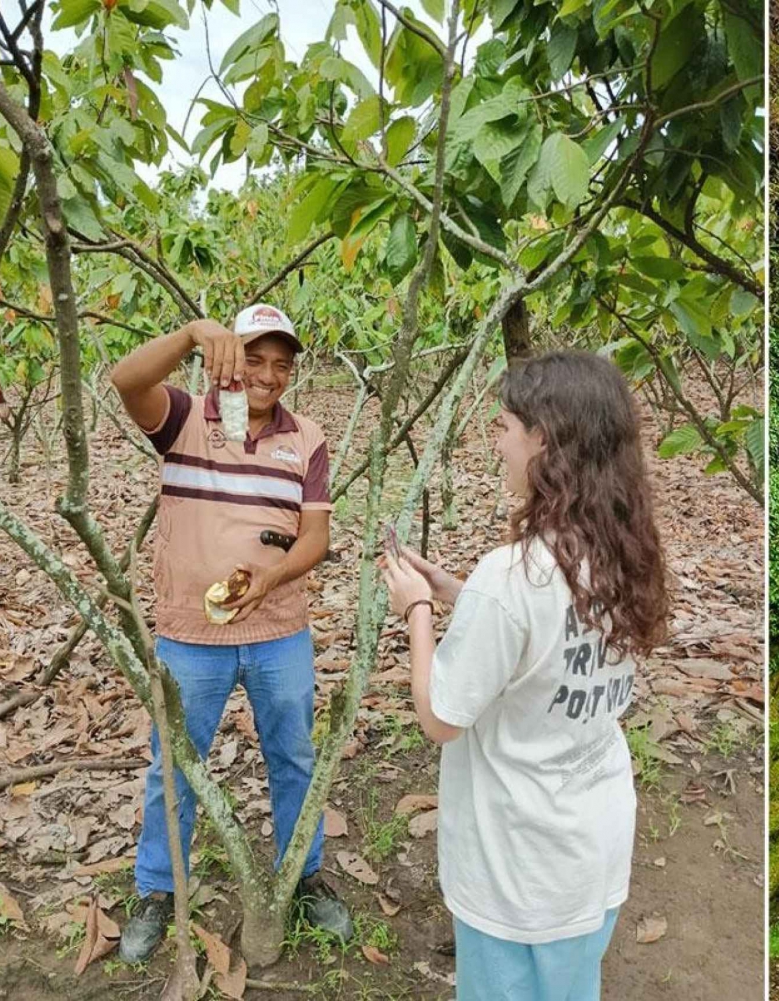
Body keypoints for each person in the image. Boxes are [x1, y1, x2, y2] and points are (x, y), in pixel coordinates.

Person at [380, 351, 668, 1001]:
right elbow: (549, 638)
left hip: (516, 867)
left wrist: (418, 609)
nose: (496, 439)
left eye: (505, 424)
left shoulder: (512, 578)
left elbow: (441, 717)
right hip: (590, 849)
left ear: (546, 439)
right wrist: (457, 590)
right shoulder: (623, 549)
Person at [110, 305, 351, 962]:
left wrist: (272, 578)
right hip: (191, 633)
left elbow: (317, 536)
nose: (268, 375)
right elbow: (124, 380)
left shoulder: (306, 437)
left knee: (295, 756)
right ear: (227, 357)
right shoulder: (186, 417)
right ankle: (158, 888)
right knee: (176, 763)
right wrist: (188, 332)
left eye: (281, 364)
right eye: (254, 357)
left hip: (278, 630)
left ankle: (304, 874)